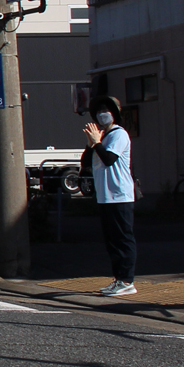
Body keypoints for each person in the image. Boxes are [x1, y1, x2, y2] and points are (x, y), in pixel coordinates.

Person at [83, 95, 137, 297]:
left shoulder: (119, 134)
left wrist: (97, 142)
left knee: (123, 239)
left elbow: (108, 159)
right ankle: (118, 279)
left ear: (114, 113)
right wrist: (91, 143)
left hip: (119, 195)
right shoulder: (103, 137)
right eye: (98, 111)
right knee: (112, 241)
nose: (101, 114)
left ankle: (127, 281)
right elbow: (85, 162)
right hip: (105, 196)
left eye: (105, 110)